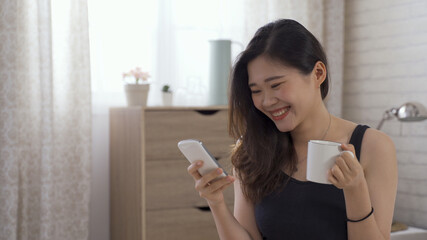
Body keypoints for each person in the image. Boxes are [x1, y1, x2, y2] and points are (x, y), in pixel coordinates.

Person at [187, 19, 397, 240]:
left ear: (318, 73)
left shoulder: (374, 147)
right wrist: (216, 202)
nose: (266, 101)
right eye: (256, 91)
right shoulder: (252, 149)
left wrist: (355, 190)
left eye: (276, 85)